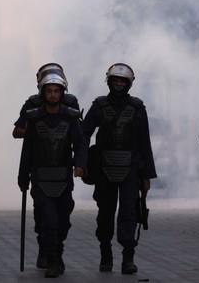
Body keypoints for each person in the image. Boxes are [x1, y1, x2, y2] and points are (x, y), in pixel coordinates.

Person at [82, 63, 156, 275]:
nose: (119, 84)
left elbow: (145, 143)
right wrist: (82, 163)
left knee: (129, 213)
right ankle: (105, 254)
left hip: (130, 169)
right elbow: (84, 134)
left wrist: (147, 176)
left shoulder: (137, 107)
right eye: (115, 80)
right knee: (105, 213)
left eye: (123, 81)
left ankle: (128, 257)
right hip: (104, 167)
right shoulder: (99, 105)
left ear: (129, 83)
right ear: (109, 81)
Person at [18, 73, 87, 278]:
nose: (53, 95)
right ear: (43, 93)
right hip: (40, 178)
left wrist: (80, 165)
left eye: (57, 91)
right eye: (49, 91)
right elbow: (27, 150)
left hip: (63, 179)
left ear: (62, 93)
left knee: (63, 221)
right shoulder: (34, 118)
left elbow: (80, 144)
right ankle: (54, 260)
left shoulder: (71, 117)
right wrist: (23, 177)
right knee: (48, 221)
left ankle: (57, 251)